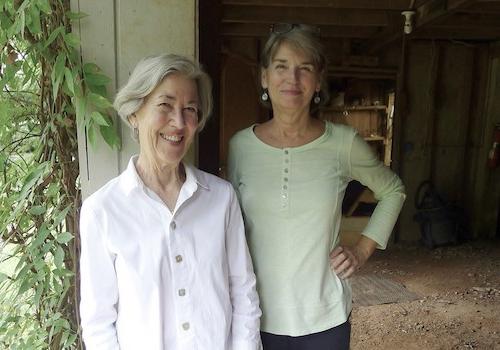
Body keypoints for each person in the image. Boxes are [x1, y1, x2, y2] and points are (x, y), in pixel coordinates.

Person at [228, 24, 406, 349]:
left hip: (325, 318)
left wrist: (362, 250)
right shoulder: (241, 146)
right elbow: (230, 225)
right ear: (265, 77)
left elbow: (393, 190)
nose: (292, 79)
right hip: (256, 316)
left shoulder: (342, 143)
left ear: (318, 79)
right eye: (281, 66)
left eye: (304, 68)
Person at [79, 54, 262, 350]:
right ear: (134, 113)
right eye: (165, 106)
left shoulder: (221, 198)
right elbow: (98, 322)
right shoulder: (102, 210)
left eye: (190, 109)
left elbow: (243, 293)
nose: (179, 122)